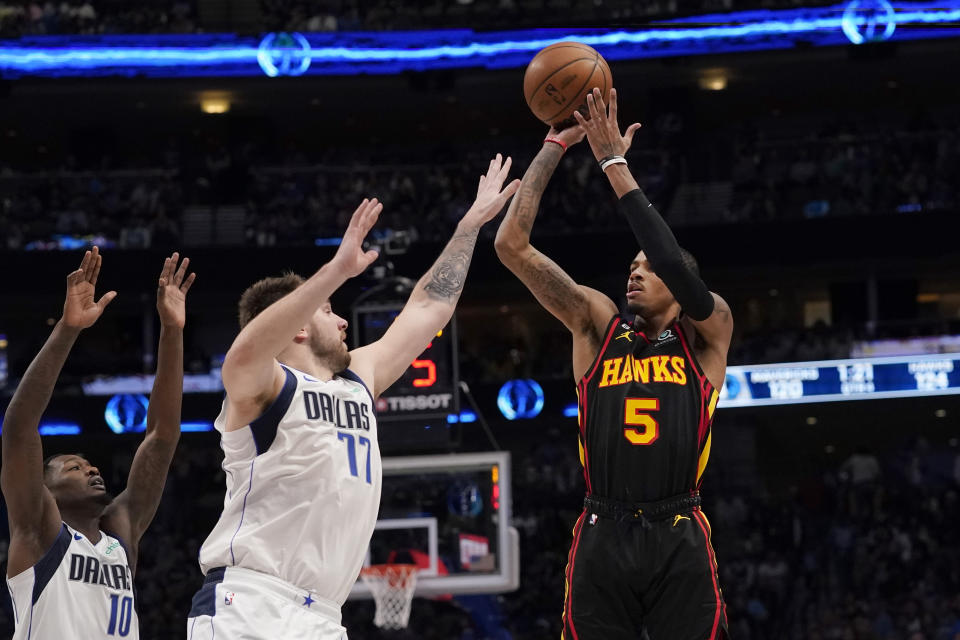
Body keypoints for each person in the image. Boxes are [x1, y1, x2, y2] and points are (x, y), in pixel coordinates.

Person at [187, 154, 519, 639]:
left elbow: (430, 305)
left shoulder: (358, 379)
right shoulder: (265, 386)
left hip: (323, 613)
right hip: (249, 601)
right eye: (328, 310)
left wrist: (469, 225)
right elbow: (241, 354)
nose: (343, 320)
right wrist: (335, 270)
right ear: (298, 326)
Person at [494, 89, 733, 640]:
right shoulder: (598, 324)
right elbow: (511, 245)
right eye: (631, 265)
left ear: (679, 285)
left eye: (648, 268)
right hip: (602, 524)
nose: (636, 272)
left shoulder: (707, 332)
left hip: (679, 526)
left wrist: (613, 163)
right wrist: (554, 145)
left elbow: (672, 258)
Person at [2, 247, 195, 639]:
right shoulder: (39, 531)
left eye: (89, 465)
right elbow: (21, 428)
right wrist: (68, 329)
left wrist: (172, 332)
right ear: (47, 491)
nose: (91, 469)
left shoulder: (119, 538)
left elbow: (161, 438)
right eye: (73, 467)